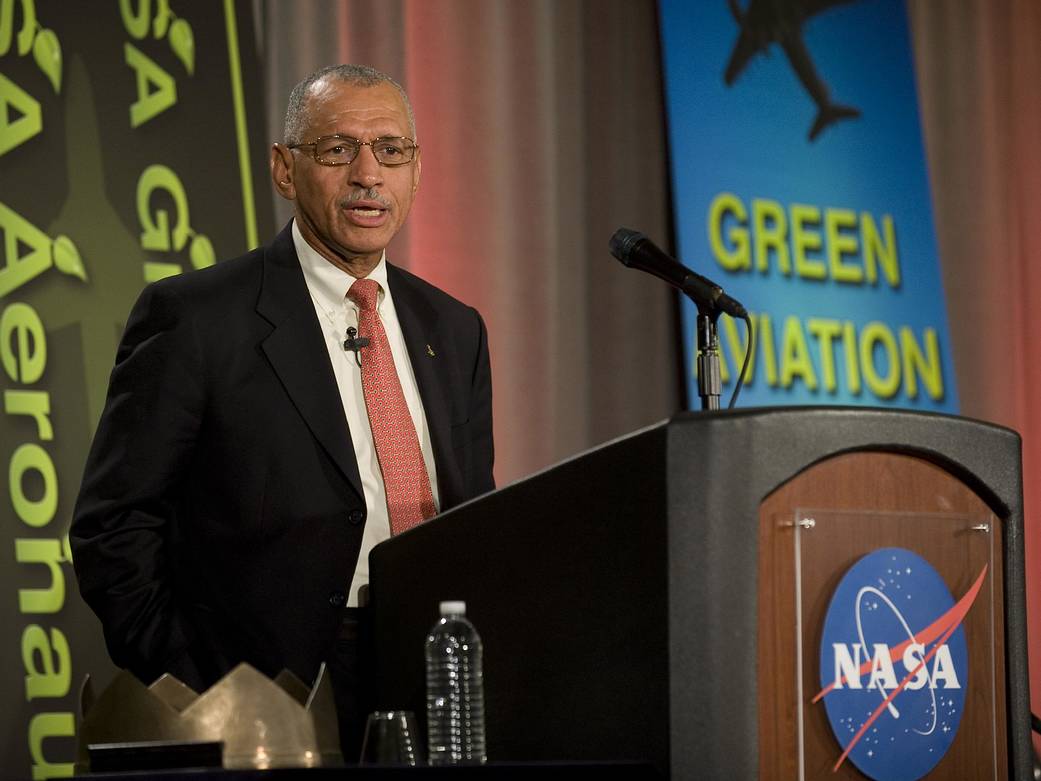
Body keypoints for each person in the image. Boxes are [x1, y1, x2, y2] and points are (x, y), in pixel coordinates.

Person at [70, 64, 495, 758]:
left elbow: (475, 513)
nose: (367, 173)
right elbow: (112, 524)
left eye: (391, 150)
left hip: (427, 679)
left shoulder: (453, 328)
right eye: (337, 149)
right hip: (259, 698)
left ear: (415, 171)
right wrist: (200, 686)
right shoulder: (196, 318)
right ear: (283, 168)